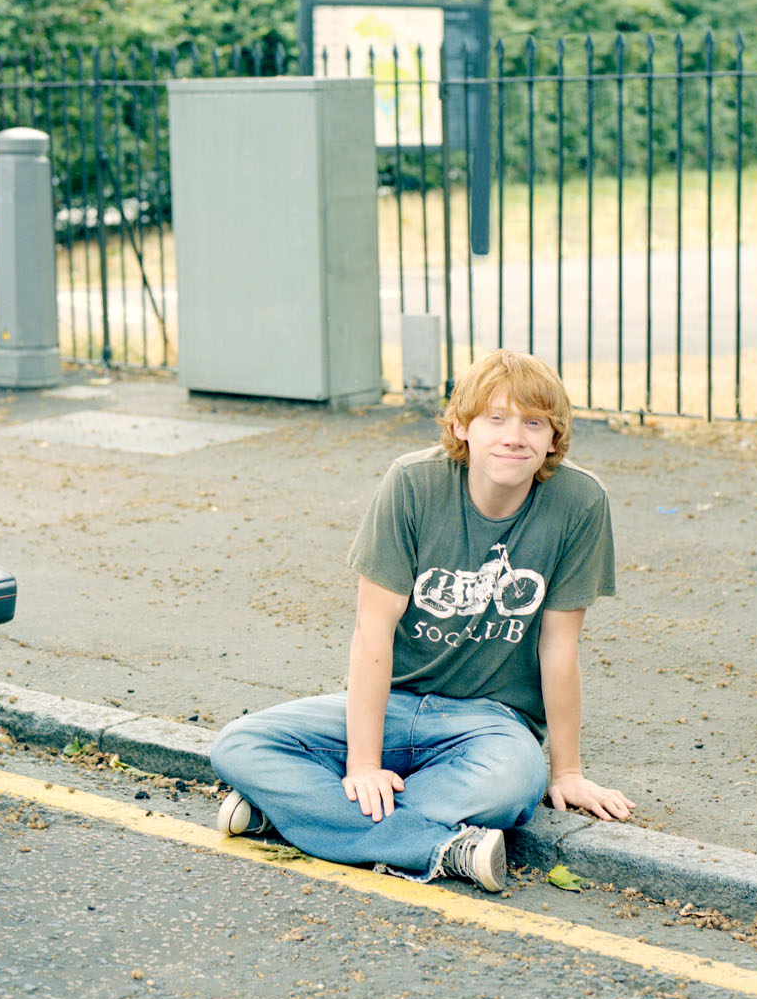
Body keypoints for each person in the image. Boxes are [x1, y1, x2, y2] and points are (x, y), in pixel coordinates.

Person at [210, 349, 635, 893]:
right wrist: (364, 764)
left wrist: (567, 772)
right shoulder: (413, 483)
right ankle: (437, 847)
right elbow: (372, 631)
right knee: (240, 744)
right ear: (461, 426)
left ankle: (293, 816)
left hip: (490, 724)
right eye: (496, 418)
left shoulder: (580, 501)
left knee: (515, 782)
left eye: (534, 423)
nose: (514, 437)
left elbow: (559, 646)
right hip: (393, 703)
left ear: (554, 438)